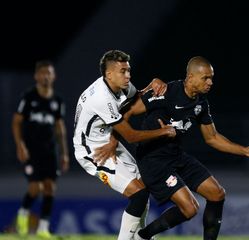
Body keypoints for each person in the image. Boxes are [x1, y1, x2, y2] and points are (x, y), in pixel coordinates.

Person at [123, 56, 249, 240]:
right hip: (153, 160)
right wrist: (116, 141)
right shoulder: (165, 92)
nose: (210, 82)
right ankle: (143, 237)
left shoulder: (200, 103)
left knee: (217, 194)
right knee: (190, 208)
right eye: (205, 78)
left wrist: (244, 150)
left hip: (176, 156)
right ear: (190, 77)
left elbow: (213, 138)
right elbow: (127, 112)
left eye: (211, 78)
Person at [73, 49, 176, 240]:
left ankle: (141, 236)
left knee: (144, 187)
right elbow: (130, 135)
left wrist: (152, 85)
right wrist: (165, 131)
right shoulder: (101, 98)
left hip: (108, 140)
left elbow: (136, 99)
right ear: (109, 74)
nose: (128, 75)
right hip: (93, 151)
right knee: (139, 193)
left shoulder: (120, 86)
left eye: (129, 70)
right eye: (123, 71)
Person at [12, 60, 70, 238]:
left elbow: (60, 127)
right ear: (36, 76)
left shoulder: (57, 101)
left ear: (54, 76)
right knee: (35, 186)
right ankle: (23, 213)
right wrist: (20, 145)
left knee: (50, 187)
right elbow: (16, 122)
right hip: (31, 149)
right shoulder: (29, 97)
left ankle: (43, 229)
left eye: (49, 73)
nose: (46, 76)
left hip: (50, 150)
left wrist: (65, 153)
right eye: (42, 73)